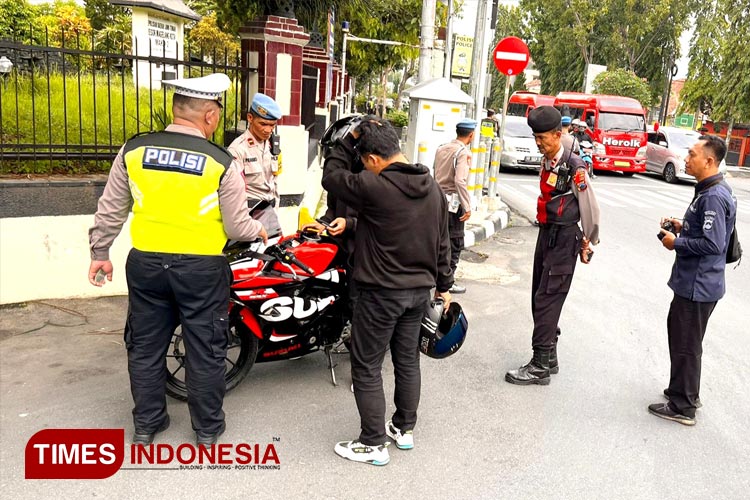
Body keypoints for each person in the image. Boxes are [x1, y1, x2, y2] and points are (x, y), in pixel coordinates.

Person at [87, 73, 268, 446]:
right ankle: (206, 430)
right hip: (201, 270)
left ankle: (147, 425)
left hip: (146, 266)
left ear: (175, 110)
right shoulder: (220, 161)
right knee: (205, 349)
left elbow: (111, 208)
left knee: (145, 346)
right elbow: (237, 226)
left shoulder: (134, 150)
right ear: (210, 116)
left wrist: (100, 252)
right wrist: (258, 231)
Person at [322, 116, 453, 466]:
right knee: (407, 359)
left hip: (379, 294)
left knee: (366, 367)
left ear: (373, 159)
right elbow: (443, 245)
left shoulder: (374, 186)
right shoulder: (434, 189)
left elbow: (331, 178)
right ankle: (403, 429)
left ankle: (372, 443)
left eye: (365, 161)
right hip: (418, 294)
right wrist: (444, 287)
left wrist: (348, 140)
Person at [505, 106, 600, 386]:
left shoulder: (575, 167)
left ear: (558, 135)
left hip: (564, 238)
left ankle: (540, 365)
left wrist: (588, 242)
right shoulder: (549, 159)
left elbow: (589, 207)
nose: (538, 143)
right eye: (536, 137)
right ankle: (550, 356)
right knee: (539, 295)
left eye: (543, 138)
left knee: (548, 298)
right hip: (547, 234)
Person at [649, 135, 736, 426]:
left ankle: (683, 405)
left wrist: (677, 243)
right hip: (698, 283)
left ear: (709, 161)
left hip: (697, 285)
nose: (686, 159)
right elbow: (707, 230)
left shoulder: (713, 195)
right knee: (686, 339)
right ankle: (683, 391)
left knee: (685, 342)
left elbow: (713, 244)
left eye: (692, 154)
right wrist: (682, 225)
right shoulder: (713, 189)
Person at [227, 93, 283, 236]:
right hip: (251, 216)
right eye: (263, 124)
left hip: (271, 213)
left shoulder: (272, 145)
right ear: (250, 118)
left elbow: (274, 180)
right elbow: (232, 193)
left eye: (272, 125)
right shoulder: (238, 149)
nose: (268, 130)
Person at [434, 118, 475, 294]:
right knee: (455, 242)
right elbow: (460, 181)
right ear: (471, 135)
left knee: (439, 240)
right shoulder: (462, 152)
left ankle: (436, 279)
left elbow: (434, 171)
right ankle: (447, 283)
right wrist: (467, 205)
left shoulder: (441, 148)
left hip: (437, 200)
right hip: (453, 203)